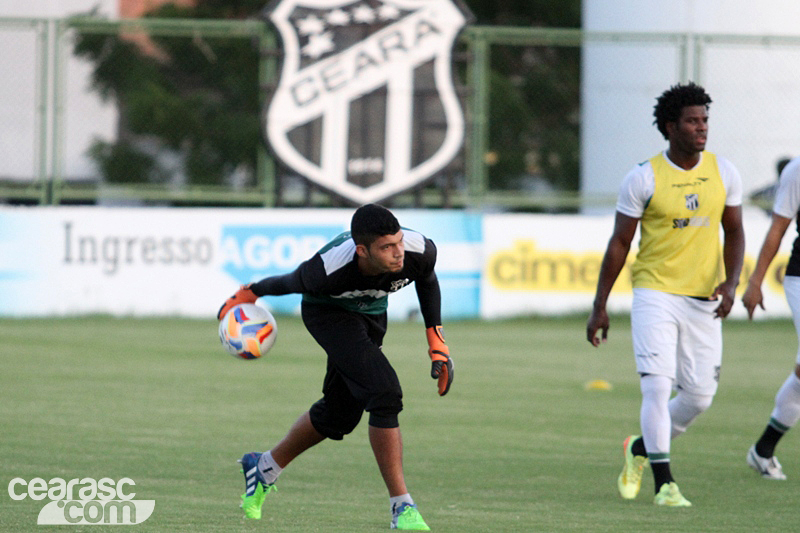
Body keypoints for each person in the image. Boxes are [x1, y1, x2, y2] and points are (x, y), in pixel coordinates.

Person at [216, 203, 453, 530]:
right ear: (361, 251)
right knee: (385, 393)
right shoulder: (326, 270)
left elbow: (427, 279)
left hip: (371, 316)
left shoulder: (419, 250)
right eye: (387, 247)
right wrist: (250, 293)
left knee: (339, 415)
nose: (398, 252)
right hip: (328, 316)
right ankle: (402, 508)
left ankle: (264, 468)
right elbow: (290, 282)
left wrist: (436, 342)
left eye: (398, 242)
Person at [586, 82, 745, 507]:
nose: (702, 128)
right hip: (655, 292)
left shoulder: (724, 171)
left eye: (705, 120)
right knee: (657, 388)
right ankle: (665, 483)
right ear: (669, 126)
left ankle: (640, 448)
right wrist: (599, 306)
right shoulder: (643, 177)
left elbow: (735, 231)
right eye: (692, 121)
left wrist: (732, 283)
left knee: (698, 397)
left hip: (704, 299)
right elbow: (619, 243)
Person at [741, 155, 800, 481]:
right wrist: (755, 282)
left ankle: (763, 449)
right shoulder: (797, 171)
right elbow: (778, 228)